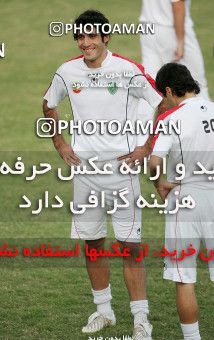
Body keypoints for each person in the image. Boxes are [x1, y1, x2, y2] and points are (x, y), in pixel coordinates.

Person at [43, 9, 162, 339]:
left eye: (92, 36)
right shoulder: (67, 72)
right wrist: (59, 143)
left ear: (106, 38)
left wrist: (144, 149)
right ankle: (104, 311)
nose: (86, 42)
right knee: (92, 244)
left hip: (122, 172)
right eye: (81, 37)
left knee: (130, 247)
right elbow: (48, 103)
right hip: (84, 174)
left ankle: (141, 320)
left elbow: (161, 104)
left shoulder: (127, 70)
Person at [149, 63, 214, 340]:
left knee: (184, 276)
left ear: (170, 91)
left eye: (163, 95)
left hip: (185, 199)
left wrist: (159, 183)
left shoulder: (171, 119)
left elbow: (155, 161)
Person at [139, 0, 210, 100]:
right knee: (196, 85)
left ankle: (146, 115)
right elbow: (177, 4)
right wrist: (180, 42)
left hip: (148, 27)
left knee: (150, 83)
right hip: (170, 28)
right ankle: (207, 115)